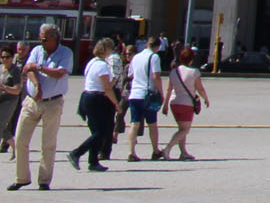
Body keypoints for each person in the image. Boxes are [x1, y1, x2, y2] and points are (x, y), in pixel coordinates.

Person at [10, 25, 72, 191]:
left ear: (54, 39)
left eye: (45, 39)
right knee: (21, 138)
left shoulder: (65, 53)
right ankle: (22, 178)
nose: (41, 42)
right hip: (32, 101)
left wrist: (38, 68)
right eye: (40, 38)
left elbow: (59, 73)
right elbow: (27, 69)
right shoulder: (37, 50)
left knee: (48, 143)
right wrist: (37, 85)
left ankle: (44, 180)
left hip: (53, 102)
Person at [67, 37, 123, 173]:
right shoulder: (102, 65)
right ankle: (77, 152)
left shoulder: (92, 62)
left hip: (88, 96)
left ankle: (93, 161)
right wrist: (116, 103)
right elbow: (106, 88)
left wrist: (113, 80)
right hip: (96, 99)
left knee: (97, 131)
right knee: (101, 132)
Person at [158, 47, 209, 161]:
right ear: (191, 59)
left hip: (174, 102)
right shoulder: (194, 72)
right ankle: (167, 149)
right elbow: (200, 88)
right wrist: (205, 98)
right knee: (185, 129)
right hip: (186, 103)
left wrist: (165, 105)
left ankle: (183, 152)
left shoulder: (173, 72)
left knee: (181, 128)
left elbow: (169, 89)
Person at [123, 36, 163, 161]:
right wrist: (161, 93)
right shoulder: (154, 57)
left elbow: (131, 74)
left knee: (134, 123)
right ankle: (155, 150)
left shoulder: (136, 57)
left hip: (134, 94)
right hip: (147, 94)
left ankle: (131, 152)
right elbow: (156, 76)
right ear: (157, 47)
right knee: (152, 123)